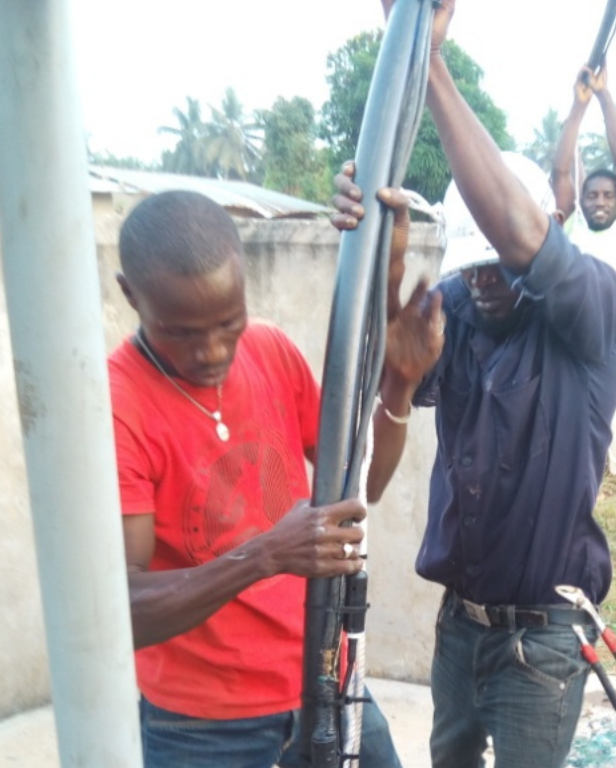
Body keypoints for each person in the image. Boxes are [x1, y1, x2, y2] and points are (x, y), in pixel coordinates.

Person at [335, 2, 616, 765]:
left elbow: (520, 235)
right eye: (471, 266)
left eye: (499, 265)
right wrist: (374, 244)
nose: (483, 280)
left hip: (542, 640)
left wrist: (427, 60)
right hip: (460, 627)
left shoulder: (590, 305)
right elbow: (393, 380)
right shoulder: (460, 308)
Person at [110, 189, 441, 768]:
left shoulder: (269, 350)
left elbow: (364, 488)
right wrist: (264, 555)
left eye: (228, 323)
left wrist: (399, 384)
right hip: (202, 726)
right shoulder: (117, 404)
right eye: (181, 333)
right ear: (130, 295)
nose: (212, 351)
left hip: (325, 674)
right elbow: (121, 607)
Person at [551, 59, 616, 572]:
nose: (601, 201)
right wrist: (578, 106)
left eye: (608, 195)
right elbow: (560, 173)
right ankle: (569, 530)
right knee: (568, 450)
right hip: (572, 358)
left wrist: (606, 98)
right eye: (593, 195)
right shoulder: (572, 231)